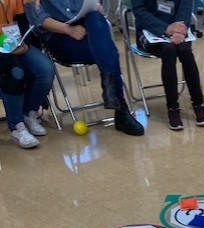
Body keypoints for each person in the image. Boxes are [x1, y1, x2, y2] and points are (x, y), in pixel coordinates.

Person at [24, 0, 144, 136]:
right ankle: (120, 108)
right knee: (108, 51)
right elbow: (38, 19)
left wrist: (97, 6)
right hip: (59, 36)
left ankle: (113, 93)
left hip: (87, 29)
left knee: (96, 18)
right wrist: (68, 29)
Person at [131, 0, 204, 130]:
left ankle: (199, 103)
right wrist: (166, 29)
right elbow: (140, 11)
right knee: (169, 50)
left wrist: (178, 31)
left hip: (179, 30)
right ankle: (172, 107)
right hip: (148, 31)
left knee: (185, 50)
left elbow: (185, 6)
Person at [0, 0, 54, 148]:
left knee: (45, 70)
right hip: (3, 45)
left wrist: (23, 45)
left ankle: (28, 113)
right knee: (16, 72)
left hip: (11, 40)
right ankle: (17, 126)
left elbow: (22, 22)